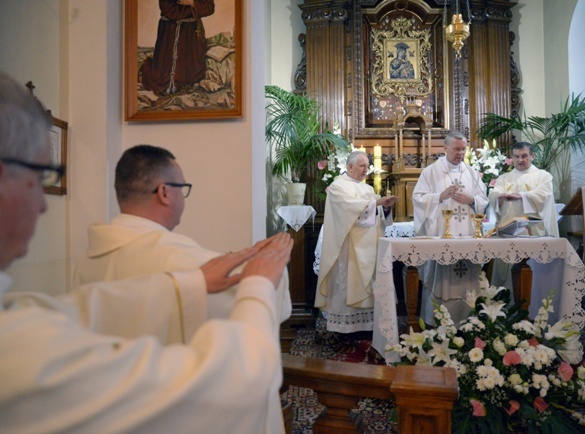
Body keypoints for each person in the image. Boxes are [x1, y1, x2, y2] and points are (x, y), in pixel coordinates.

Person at [0, 71, 292, 433]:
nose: (42, 206)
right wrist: (262, 281)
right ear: (165, 192)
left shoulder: (94, 250)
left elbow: (77, 309)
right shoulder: (17, 347)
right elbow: (239, 379)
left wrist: (189, 284)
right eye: (43, 174)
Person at [73, 144, 292, 340]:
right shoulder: (177, 257)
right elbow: (253, 299)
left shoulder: (88, 258)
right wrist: (274, 259)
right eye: (182, 188)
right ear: (165, 193)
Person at [315, 151, 399, 333]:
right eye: (362, 166)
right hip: (348, 249)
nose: (365, 171)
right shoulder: (338, 186)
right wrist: (376, 204)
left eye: (367, 167)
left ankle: (369, 328)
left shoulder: (368, 189)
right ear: (350, 166)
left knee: (369, 285)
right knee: (348, 285)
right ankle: (345, 330)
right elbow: (349, 210)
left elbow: (377, 219)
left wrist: (384, 207)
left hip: (369, 248)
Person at [412, 131, 488, 324]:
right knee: (442, 280)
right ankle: (437, 321)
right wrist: (439, 196)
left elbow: (483, 200)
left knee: (468, 278)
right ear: (445, 148)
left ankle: (469, 322)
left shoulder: (471, 172)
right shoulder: (430, 172)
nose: (460, 153)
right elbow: (418, 198)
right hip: (442, 234)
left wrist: (471, 200)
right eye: (456, 149)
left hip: (468, 234)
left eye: (463, 149)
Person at [488, 141, 559, 287]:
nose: (520, 160)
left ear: (532, 156)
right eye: (516, 156)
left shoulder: (543, 176)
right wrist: (500, 197)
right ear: (512, 158)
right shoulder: (504, 178)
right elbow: (493, 194)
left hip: (533, 234)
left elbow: (543, 194)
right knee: (507, 280)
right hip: (508, 235)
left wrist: (521, 196)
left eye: (524, 156)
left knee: (534, 281)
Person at [140, 0, 215, 94]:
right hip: (169, 33)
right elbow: (169, 10)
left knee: (191, 74)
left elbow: (209, 8)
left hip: (191, 35)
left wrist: (192, 2)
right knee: (161, 76)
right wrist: (194, 9)